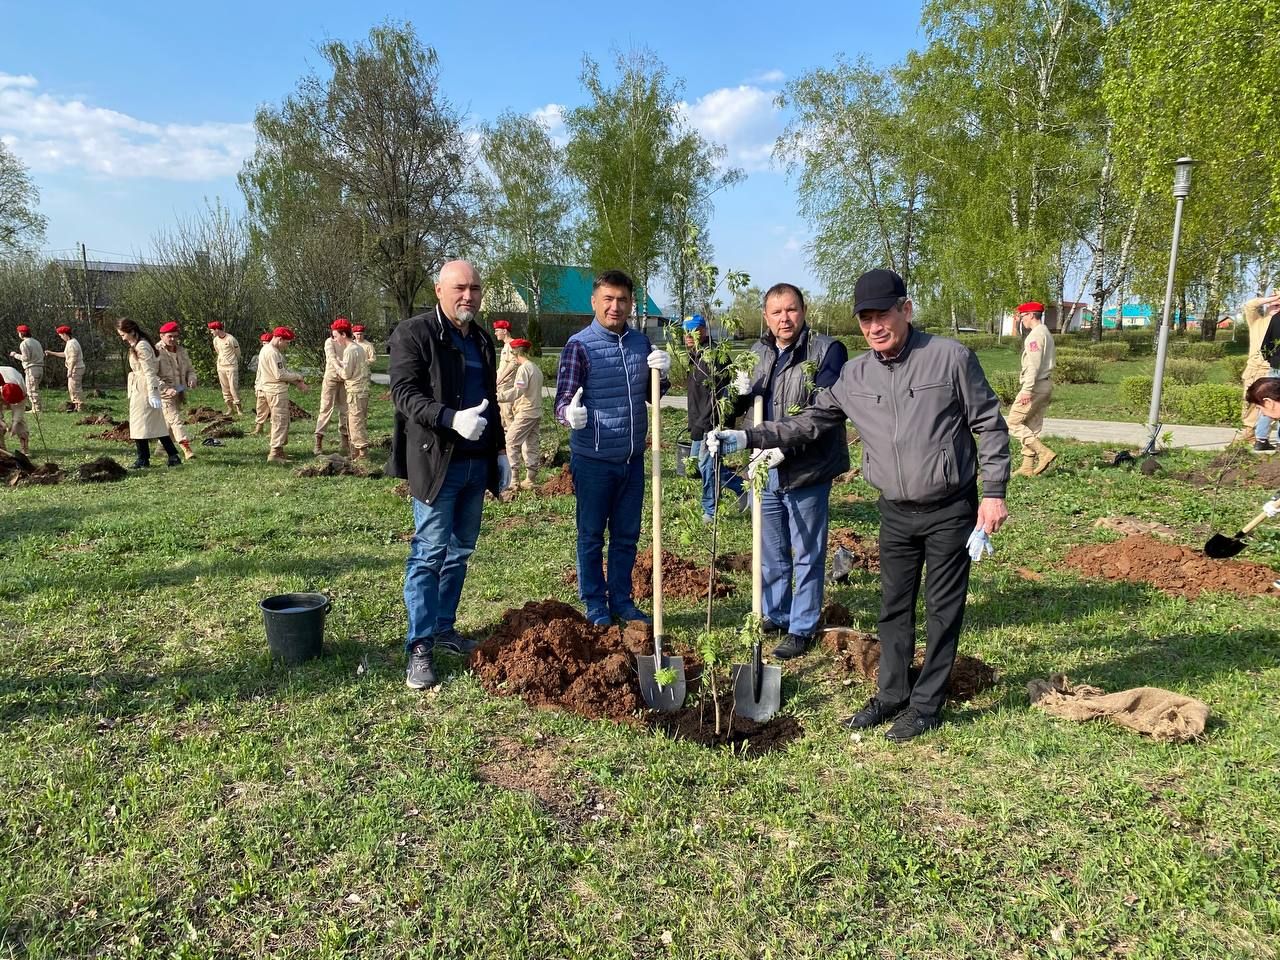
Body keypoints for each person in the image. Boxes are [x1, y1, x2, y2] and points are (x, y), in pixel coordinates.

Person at [708, 268, 1010, 742]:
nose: (874, 326)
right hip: (894, 509)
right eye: (866, 318)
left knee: (941, 609)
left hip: (951, 505)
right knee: (893, 608)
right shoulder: (856, 374)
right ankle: (891, 694)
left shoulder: (949, 358)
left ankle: (927, 705)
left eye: (883, 314)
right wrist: (748, 435)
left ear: (905, 310)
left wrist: (992, 493)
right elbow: (810, 421)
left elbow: (990, 425)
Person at [386, 259, 511, 690]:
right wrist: (450, 418)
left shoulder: (480, 339)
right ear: (439, 289)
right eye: (460, 288)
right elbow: (404, 394)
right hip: (438, 462)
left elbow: (490, 399)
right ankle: (419, 646)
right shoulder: (414, 333)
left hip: (477, 466)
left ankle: (443, 626)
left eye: (475, 288)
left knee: (460, 551)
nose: (469, 296)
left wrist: (499, 450)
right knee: (429, 552)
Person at [729, 283, 849, 659]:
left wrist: (778, 446)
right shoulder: (756, 353)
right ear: (765, 316)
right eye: (777, 312)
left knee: (807, 551)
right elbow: (737, 407)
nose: (785, 318)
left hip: (808, 468)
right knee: (771, 548)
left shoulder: (827, 352)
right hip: (765, 470)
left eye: (792, 310)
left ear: (804, 311)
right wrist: (736, 391)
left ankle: (802, 625)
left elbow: (823, 415)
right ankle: (776, 612)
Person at [554, 269, 671, 626]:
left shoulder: (640, 343)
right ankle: (595, 603)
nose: (615, 307)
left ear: (631, 303)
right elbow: (562, 400)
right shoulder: (579, 346)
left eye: (622, 300)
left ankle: (621, 599)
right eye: (608, 299)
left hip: (632, 459)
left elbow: (653, 397)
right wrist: (568, 414)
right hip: (593, 461)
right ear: (594, 301)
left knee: (626, 536)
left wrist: (662, 375)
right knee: (591, 536)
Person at [684, 314, 746, 523]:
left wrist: (708, 424)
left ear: (704, 330)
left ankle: (709, 511)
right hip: (698, 420)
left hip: (712, 422)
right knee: (697, 468)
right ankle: (741, 488)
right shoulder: (694, 355)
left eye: (693, 330)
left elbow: (720, 396)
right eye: (685, 331)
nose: (688, 335)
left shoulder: (716, 357)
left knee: (706, 466)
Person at [115, 318, 183, 469]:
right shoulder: (138, 344)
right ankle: (172, 455)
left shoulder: (142, 346)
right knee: (154, 424)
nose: (122, 337)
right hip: (139, 386)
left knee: (140, 424)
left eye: (123, 334)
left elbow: (150, 372)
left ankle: (143, 459)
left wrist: (153, 393)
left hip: (144, 388)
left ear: (131, 332)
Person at [1007, 300, 1057, 475]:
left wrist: (1027, 390)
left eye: (1022, 316)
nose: (1022, 320)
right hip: (1045, 383)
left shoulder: (1035, 335)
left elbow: (1034, 365)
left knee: (1013, 422)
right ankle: (1027, 466)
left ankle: (1044, 453)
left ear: (1030, 315)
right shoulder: (1045, 332)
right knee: (1031, 424)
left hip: (1034, 386)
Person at [497, 337, 543, 489]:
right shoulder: (535, 368)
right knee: (531, 444)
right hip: (535, 412)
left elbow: (518, 391)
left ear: (515, 353)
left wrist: (498, 396)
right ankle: (531, 479)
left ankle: (514, 479)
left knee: (511, 441)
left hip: (526, 412)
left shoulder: (524, 369)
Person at [259, 326, 308, 463]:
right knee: (280, 421)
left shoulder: (269, 350)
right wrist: (298, 376)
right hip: (276, 391)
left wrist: (296, 381)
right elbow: (280, 374)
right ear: (280, 339)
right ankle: (274, 453)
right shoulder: (272, 353)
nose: (287, 346)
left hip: (273, 389)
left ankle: (280, 451)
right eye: (287, 342)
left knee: (282, 420)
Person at [1241, 294, 1280, 453]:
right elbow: (1249, 305)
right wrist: (1273, 298)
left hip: (1270, 367)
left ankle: (1260, 438)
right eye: (1275, 305)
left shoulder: (1276, 320)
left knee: (1272, 404)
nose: (1277, 307)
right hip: (1256, 369)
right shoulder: (1258, 321)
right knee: (1252, 403)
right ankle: (1250, 435)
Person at [155, 321, 198, 460]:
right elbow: (151, 375)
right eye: (170, 336)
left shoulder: (181, 351)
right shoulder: (156, 351)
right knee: (176, 420)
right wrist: (165, 388)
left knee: (169, 422)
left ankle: (161, 448)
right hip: (164, 393)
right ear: (162, 336)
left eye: (175, 336)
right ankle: (187, 448)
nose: (173, 339)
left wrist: (192, 378)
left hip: (179, 391)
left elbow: (190, 370)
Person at [314, 318, 351, 455]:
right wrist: (341, 367)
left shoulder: (348, 343)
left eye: (336, 333)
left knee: (345, 410)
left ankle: (345, 441)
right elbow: (331, 358)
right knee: (326, 409)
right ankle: (318, 441)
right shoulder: (329, 342)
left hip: (344, 380)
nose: (334, 337)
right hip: (331, 379)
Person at [335, 321, 371, 459]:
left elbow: (346, 374)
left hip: (355, 391)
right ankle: (355, 451)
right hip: (362, 390)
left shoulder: (350, 350)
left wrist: (336, 366)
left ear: (343, 334)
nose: (335, 339)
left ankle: (362, 452)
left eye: (336, 335)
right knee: (356, 420)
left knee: (355, 422)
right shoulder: (358, 348)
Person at [45, 325, 86, 412]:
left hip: (76, 368)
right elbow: (66, 355)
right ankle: (76, 405)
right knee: (72, 387)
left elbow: (73, 358)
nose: (61, 338)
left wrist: (70, 370)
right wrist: (52, 353)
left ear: (64, 334)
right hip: (76, 367)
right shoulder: (71, 342)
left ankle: (80, 406)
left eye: (61, 336)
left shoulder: (72, 343)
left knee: (74, 388)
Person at [208, 321, 243, 416]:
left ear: (217, 329)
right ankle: (230, 408)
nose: (211, 332)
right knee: (225, 388)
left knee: (233, 388)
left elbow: (238, 352)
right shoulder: (215, 340)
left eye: (212, 330)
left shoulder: (231, 339)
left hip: (231, 366)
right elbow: (218, 351)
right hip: (221, 366)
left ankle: (239, 409)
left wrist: (233, 361)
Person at [9, 324, 43, 413]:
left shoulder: (24, 344)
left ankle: (36, 409)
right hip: (40, 368)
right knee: (35, 388)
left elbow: (26, 358)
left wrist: (15, 355)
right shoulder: (36, 342)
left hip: (31, 368)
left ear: (21, 333)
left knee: (31, 389)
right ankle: (36, 406)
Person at [0, 366, 29, 455]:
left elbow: (20, 407)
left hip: (13, 383)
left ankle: (24, 449)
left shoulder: (21, 386)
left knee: (19, 421)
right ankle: (2, 450)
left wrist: (15, 424)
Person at [493, 320, 517, 429]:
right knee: (502, 414)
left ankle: (514, 439)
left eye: (497, 330)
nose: (495, 333)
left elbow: (513, 364)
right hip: (501, 386)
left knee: (508, 414)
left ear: (504, 331)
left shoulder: (512, 345)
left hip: (507, 386)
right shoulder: (506, 346)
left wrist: (500, 379)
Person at [251, 332, 272, 435]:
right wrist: (257, 385)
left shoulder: (275, 355)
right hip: (261, 386)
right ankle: (259, 428)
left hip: (271, 387)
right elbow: (259, 373)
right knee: (260, 407)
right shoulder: (261, 355)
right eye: (263, 343)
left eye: (267, 343)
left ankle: (273, 430)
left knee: (273, 409)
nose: (265, 346)